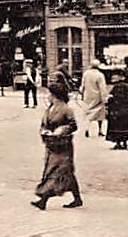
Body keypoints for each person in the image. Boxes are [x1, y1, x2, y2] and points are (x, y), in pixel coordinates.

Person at [31, 80, 82, 210]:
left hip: (63, 145)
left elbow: (73, 125)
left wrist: (62, 130)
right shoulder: (50, 108)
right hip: (52, 145)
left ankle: (43, 199)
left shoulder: (66, 109)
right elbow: (44, 124)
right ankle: (77, 199)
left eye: (49, 94)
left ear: (55, 95)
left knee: (56, 170)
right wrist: (44, 131)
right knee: (66, 173)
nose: (48, 96)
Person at [81, 60, 109, 138]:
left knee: (88, 114)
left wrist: (82, 94)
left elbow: (82, 85)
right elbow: (102, 88)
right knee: (100, 115)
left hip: (87, 96)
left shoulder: (86, 74)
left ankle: (87, 130)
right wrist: (105, 98)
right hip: (97, 97)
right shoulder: (100, 75)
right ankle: (99, 130)